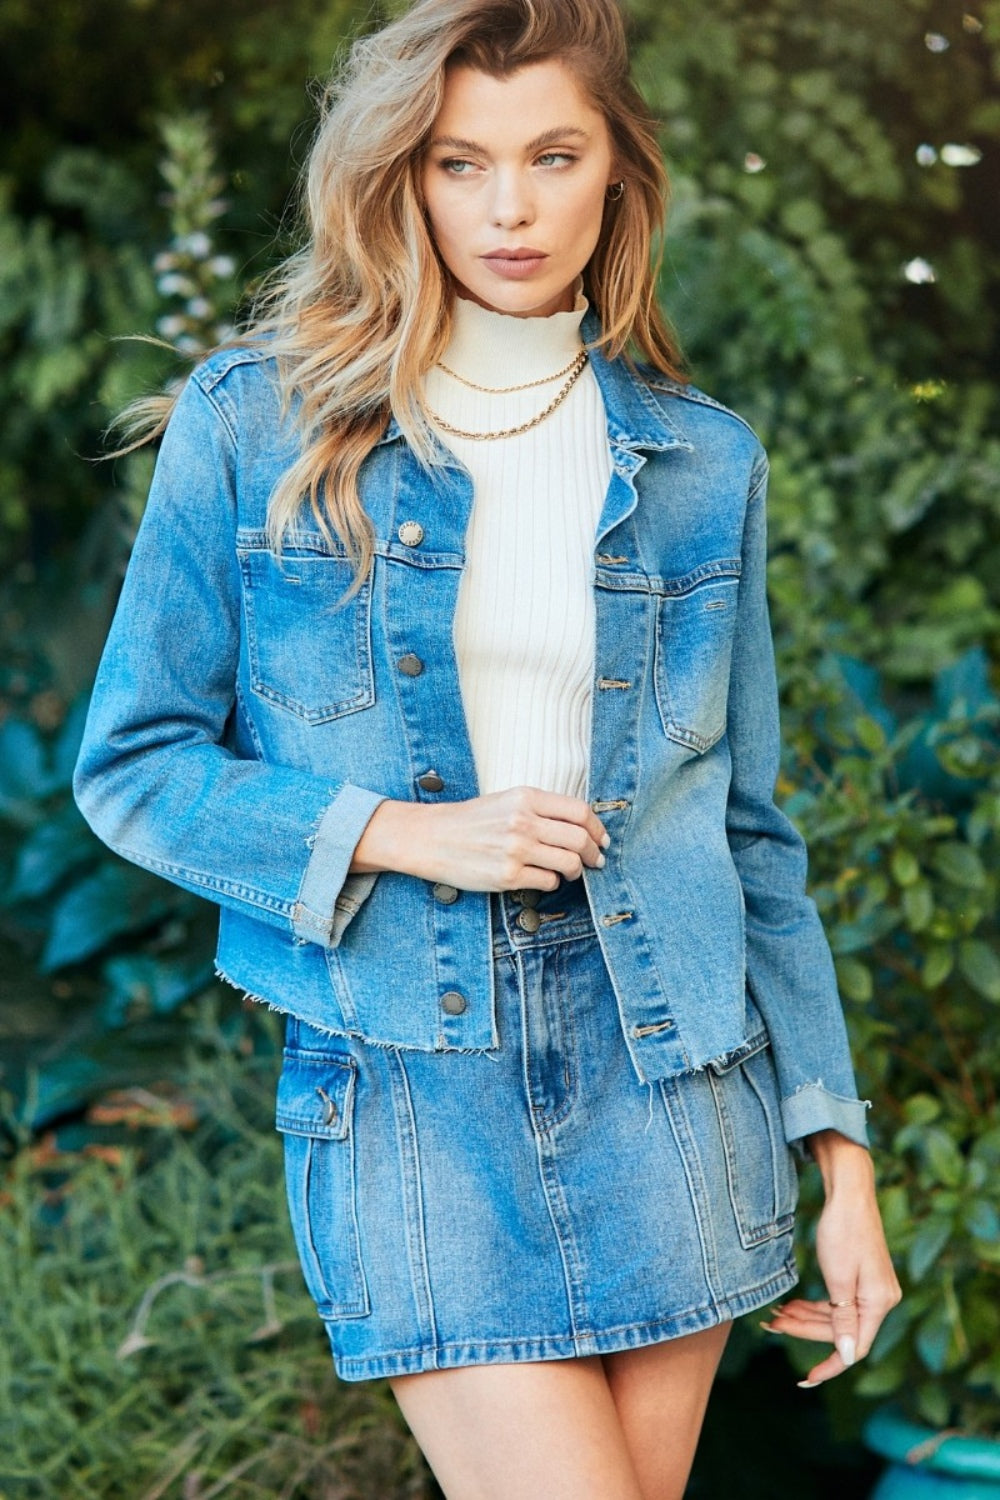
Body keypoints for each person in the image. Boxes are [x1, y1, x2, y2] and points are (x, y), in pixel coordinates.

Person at [73, 0, 902, 1495]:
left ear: (616, 172)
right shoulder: (257, 425)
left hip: (670, 1068)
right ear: (402, 179)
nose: (509, 207)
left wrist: (842, 1163)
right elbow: (132, 766)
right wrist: (400, 833)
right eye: (461, 163)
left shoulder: (703, 461)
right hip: (409, 1076)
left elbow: (749, 831)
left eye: (552, 155)